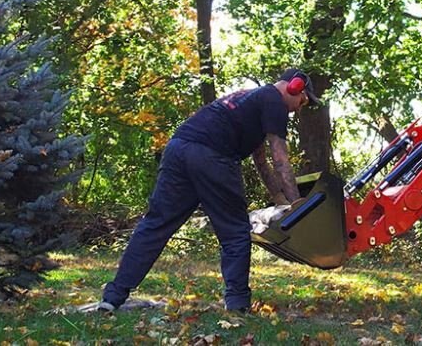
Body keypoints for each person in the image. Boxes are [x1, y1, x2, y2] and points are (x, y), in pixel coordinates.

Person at [82, 68, 321, 313]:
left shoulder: (249, 99)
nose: (299, 107)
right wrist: (298, 206)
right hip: (212, 155)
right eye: (302, 100)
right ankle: (237, 305)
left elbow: (261, 162)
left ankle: (112, 298)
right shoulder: (274, 101)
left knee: (156, 224)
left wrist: (280, 200)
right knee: (235, 232)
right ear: (294, 86)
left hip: (178, 149)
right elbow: (280, 159)